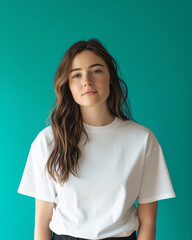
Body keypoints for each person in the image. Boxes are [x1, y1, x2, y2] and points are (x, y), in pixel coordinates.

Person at [18, 38, 176, 240]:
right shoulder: (48, 140)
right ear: (68, 85)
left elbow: (148, 222)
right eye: (77, 75)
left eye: (96, 71)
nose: (87, 81)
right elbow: (41, 222)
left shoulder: (142, 140)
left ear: (110, 76)